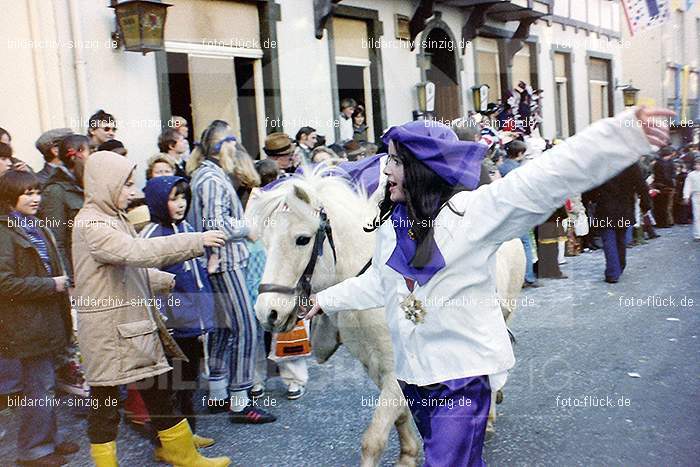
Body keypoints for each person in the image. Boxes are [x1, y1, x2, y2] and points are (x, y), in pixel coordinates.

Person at [305, 107, 672, 466]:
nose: (385, 170)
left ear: (422, 169)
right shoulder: (392, 223)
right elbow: (378, 282)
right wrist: (325, 299)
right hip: (414, 378)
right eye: (388, 160)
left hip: (461, 379)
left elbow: (547, 178)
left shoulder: (474, 213)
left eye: (396, 162)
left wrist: (624, 131)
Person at [70, 151, 230, 466]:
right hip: (110, 332)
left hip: (124, 327)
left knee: (157, 390)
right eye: (127, 184)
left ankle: (180, 452)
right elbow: (137, 252)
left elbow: (123, 267)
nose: (133, 192)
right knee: (105, 402)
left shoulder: (110, 218)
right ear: (105, 183)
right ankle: (119, 461)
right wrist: (196, 241)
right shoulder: (93, 224)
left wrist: (163, 281)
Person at [186, 121, 275, 424]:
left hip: (222, 260)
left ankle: (219, 393)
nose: (236, 150)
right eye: (232, 143)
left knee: (224, 330)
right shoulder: (211, 178)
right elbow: (215, 224)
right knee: (246, 328)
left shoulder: (208, 174)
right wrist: (249, 227)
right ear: (221, 146)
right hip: (224, 262)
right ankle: (240, 400)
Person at [0, 170, 79, 466]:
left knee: (45, 384)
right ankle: (33, 451)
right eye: (28, 193)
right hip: (26, 324)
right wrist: (52, 285)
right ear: (10, 197)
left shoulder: (35, 225)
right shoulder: (4, 232)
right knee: (38, 387)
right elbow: (3, 283)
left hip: (47, 319)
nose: (36, 198)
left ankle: (49, 441)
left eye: (37, 192)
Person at [141, 176, 219, 455]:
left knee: (188, 383)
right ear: (159, 202)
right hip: (172, 326)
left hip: (193, 325)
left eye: (183, 197)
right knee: (169, 388)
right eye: (173, 198)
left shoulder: (189, 229)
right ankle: (165, 444)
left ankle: (189, 434)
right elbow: (146, 281)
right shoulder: (150, 236)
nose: (180, 203)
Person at [586, 161, 651, 283]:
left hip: (605, 208)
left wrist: (590, 199)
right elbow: (641, 185)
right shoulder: (630, 162)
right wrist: (645, 204)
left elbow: (592, 184)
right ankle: (619, 266)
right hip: (624, 208)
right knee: (620, 239)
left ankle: (612, 272)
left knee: (608, 240)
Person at [40, 134, 89, 279]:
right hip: (77, 272)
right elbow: (56, 241)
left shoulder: (87, 184)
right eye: (90, 150)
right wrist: (70, 280)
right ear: (76, 155)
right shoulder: (55, 190)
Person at [499, 140, 540, 287]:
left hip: (504, 211)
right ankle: (527, 277)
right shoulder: (521, 171)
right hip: (519, 211)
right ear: (520, 153)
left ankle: (511, 277)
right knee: (526, 244)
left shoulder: (501, 167)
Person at [652, 146, 677, 227]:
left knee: (658, 205)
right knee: (665, 205)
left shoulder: (657, 163)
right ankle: (664, 222)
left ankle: (660, 222)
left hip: (658, 185)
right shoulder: (668, 163)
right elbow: (669, 176)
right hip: (666, 186)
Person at [683, 155, 700, 241]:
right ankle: (697, 234)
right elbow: (687, 186)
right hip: (696, 195)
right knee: (697, 215)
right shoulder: (691, 175)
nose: (698, 166)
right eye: (697, 164)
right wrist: (686, 196)